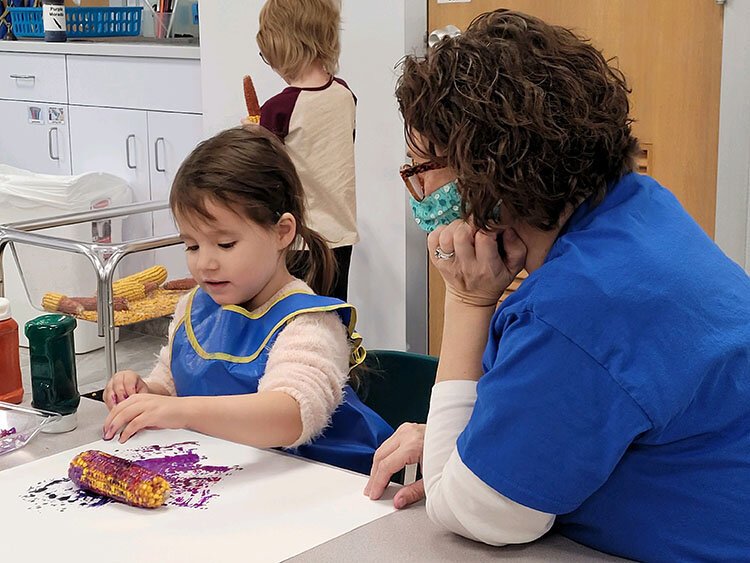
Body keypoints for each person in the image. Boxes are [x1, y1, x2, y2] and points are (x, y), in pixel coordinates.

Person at [366, 9, 750, 562]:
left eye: (421, 167)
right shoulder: (640, 210)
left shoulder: (577, 307)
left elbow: (471, 513)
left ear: (487, 175)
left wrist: (467, 300)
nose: (417, 188)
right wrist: (475, 445)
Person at [102, 126, 392, 476]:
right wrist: (144, 393)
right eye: (192, 245)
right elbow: (173, 386)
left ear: (283, 232)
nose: (205, 262)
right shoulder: (194, 307)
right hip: (233, 480)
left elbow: (289, 415)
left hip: (322, 488)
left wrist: (182, 412)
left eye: (225, 244)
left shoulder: (309, 323)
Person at [254, 0, 357, 301]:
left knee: (298, 318)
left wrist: (254, 136)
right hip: (341, 233)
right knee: (334, 314)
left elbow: (265, 171)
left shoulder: (278, 109)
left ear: (285, 48)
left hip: (299, 238)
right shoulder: (345, 95)